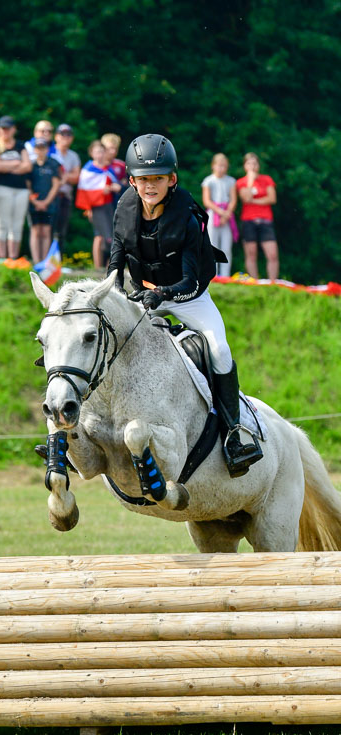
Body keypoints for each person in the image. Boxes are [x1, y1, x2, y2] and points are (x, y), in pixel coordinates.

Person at [107, 133, 262, 478]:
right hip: (145, 295)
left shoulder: (188, 218)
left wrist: (162, 294)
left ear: (171, 180)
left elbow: (190, 281)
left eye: (158, 179)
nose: (150, 186)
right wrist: (113, 296)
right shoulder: (124, 210)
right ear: (132, 180)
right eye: (144, 179)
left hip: (188, 297)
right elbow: (115, 262)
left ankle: (234, 433)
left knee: (219, 349)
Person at [0, 115, 32, 261]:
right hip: (1, 188)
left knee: (17, 223)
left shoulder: (20, 145)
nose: (5, 131)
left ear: (14, 129)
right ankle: (2, 258)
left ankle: (13, 258)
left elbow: (28, 166)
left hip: (21, 189)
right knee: (2, 222)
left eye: (8, 128)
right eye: (3, 128)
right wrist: (16, 164)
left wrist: (7, 165)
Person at [75, 140, 121, 269]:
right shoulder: (88, 169)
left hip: (109, 205)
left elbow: (115, 183)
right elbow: (85, 191)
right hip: (95, 207)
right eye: (97, 152)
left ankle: (108, 267)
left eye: (102, 151)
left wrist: (113, 187)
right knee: (101, 236)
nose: (100, 154)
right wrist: (88, 208)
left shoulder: (108, 169)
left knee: (111, 235)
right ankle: (98, 267)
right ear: (91, 153)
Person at [236, 153, 279, 280]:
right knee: (251, 254)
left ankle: (273, 282)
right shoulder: (241, 182)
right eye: (249, 164)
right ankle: (254, 282)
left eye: (255, 163)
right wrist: (250, 181)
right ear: (245, 166)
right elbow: (245, 198)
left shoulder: (267, 180)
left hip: (265, 220)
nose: (252, 166)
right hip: (248, 220)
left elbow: (272, 198)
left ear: (258, 165)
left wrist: (254, 201)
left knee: (272, 254)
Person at [201, 153, 238, 277]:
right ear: (213, 166)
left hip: (227, 216)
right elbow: (207, 201)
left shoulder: (231, 181)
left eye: (224, 166)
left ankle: (226, 275)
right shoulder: (208, 181)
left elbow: (233, 200)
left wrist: (227, 213)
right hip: (213, 214)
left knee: (226, 246)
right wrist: (220, 212)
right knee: (213, 245)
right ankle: (213, 275)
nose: (221, 168)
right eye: (219, 165)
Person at [27, 139, 61, 264]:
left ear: (47, 149)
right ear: (35, 149)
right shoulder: (31, 165)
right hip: (34, 203)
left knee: (46, 231)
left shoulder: (53, 164)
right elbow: (28, 185)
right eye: (38, 148)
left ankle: (45, 261)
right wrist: (35, 202)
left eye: (43, 147)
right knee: (35, 230)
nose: (41, 150)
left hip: (49, 203)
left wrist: (46, 202)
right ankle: (36, 261)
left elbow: (56, 185)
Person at [52, 124, 81, 254]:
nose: (65, 138)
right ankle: (44, 260)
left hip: (65, 196)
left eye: (68, 135)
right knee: (48, 230)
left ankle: (58, 261)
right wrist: (65, 177)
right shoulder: (50, 152)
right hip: (50, 196)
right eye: (62, 134)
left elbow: (76, 177)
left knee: (61, 230)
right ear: (56, 136)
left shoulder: (73, 156)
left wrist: (64, 177)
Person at [101, 132, 128, 206]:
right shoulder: (96, 166)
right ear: (103, 148)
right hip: (100, 204)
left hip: (116, 203)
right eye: (110, 148)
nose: (113, 151)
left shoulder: (121, 165)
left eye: (115, 148)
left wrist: (121, 187)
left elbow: (127, 184)